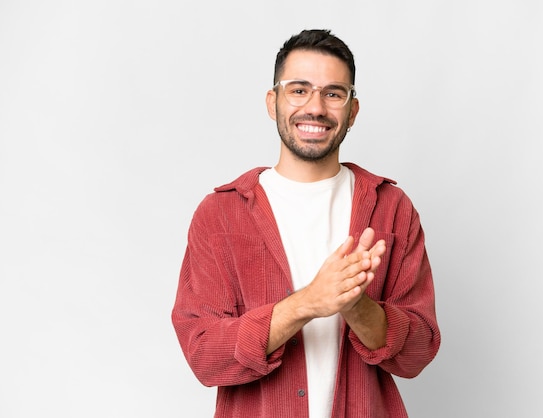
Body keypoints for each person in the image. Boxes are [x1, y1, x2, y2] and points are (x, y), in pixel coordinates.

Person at [171, 29, 441, 418]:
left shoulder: (392, 209)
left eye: (333, 93)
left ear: (352, 110)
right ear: (272, 101)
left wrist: (356, 307)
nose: (315, 107)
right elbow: (204, 355)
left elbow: (417, 354)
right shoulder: (219, 215)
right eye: (298, 90)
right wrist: (307, 303)